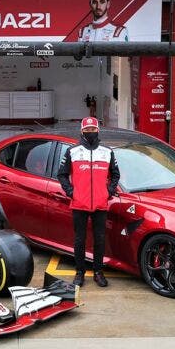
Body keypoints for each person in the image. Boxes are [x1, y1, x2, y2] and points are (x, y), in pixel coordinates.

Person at [57, 117, 120, 288]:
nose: (90, 132)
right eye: (87, 130)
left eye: (93, 130)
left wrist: (109, 192)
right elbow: (61, 174)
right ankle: (79, 273)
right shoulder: (73, 151)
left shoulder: (107, 152)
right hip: (79, 204)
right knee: (79, 240)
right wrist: (71, 192)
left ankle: (98, 273)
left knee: (99, 240)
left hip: (100, 204)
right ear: (82, 131)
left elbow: (115, 175)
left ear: (98, 131)